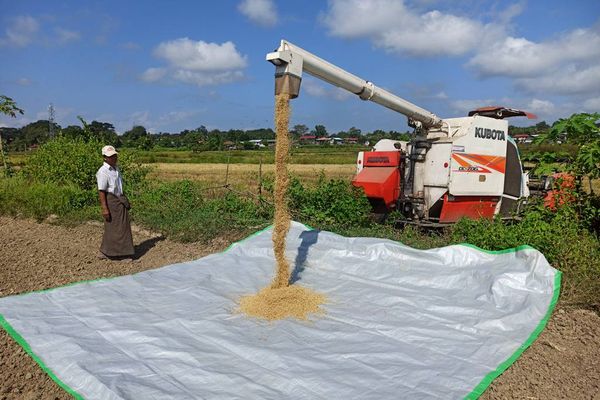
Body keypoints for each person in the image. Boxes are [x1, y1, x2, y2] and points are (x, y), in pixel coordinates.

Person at [96, 145, 134, 260]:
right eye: (110, 156)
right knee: (113, 228)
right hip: (111, 201)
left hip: (119, 200)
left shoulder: (116, 169)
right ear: (104, 157)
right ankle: (111, 253)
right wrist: (104, 208)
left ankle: (117, 252)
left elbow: (119, 186)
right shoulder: (103, 171)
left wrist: (124, 199)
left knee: (122, 227)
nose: (114, 158)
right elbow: (101, 191)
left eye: (114, 155)